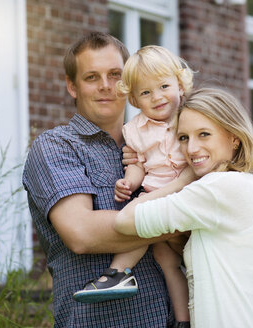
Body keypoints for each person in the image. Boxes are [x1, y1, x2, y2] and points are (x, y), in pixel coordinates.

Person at [22, 32, 180, 327]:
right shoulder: (57, 146)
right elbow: (81, 233)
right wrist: (188, 217)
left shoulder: (163, 142)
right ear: (72, 86)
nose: (106, 86)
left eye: (115, 75)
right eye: (92, 77)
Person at [114, 87, 253, 327]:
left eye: (204, 134)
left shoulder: (219, 187)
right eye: (183, 138)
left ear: (234, 137)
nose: (191, 149)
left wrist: (181, 180)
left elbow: (124, 220)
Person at [73, 45, 194, 326]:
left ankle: (118, 273)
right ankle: (181, 318)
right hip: (154, 193)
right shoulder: (136, 129)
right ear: (135, 100)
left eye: (164, 86)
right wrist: (129, 180)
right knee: (164, 258)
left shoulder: (192, 115)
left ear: (180, 84)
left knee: (149, 227)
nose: (157, 97)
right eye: (145, 92)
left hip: (190, 194)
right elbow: (138, 164)